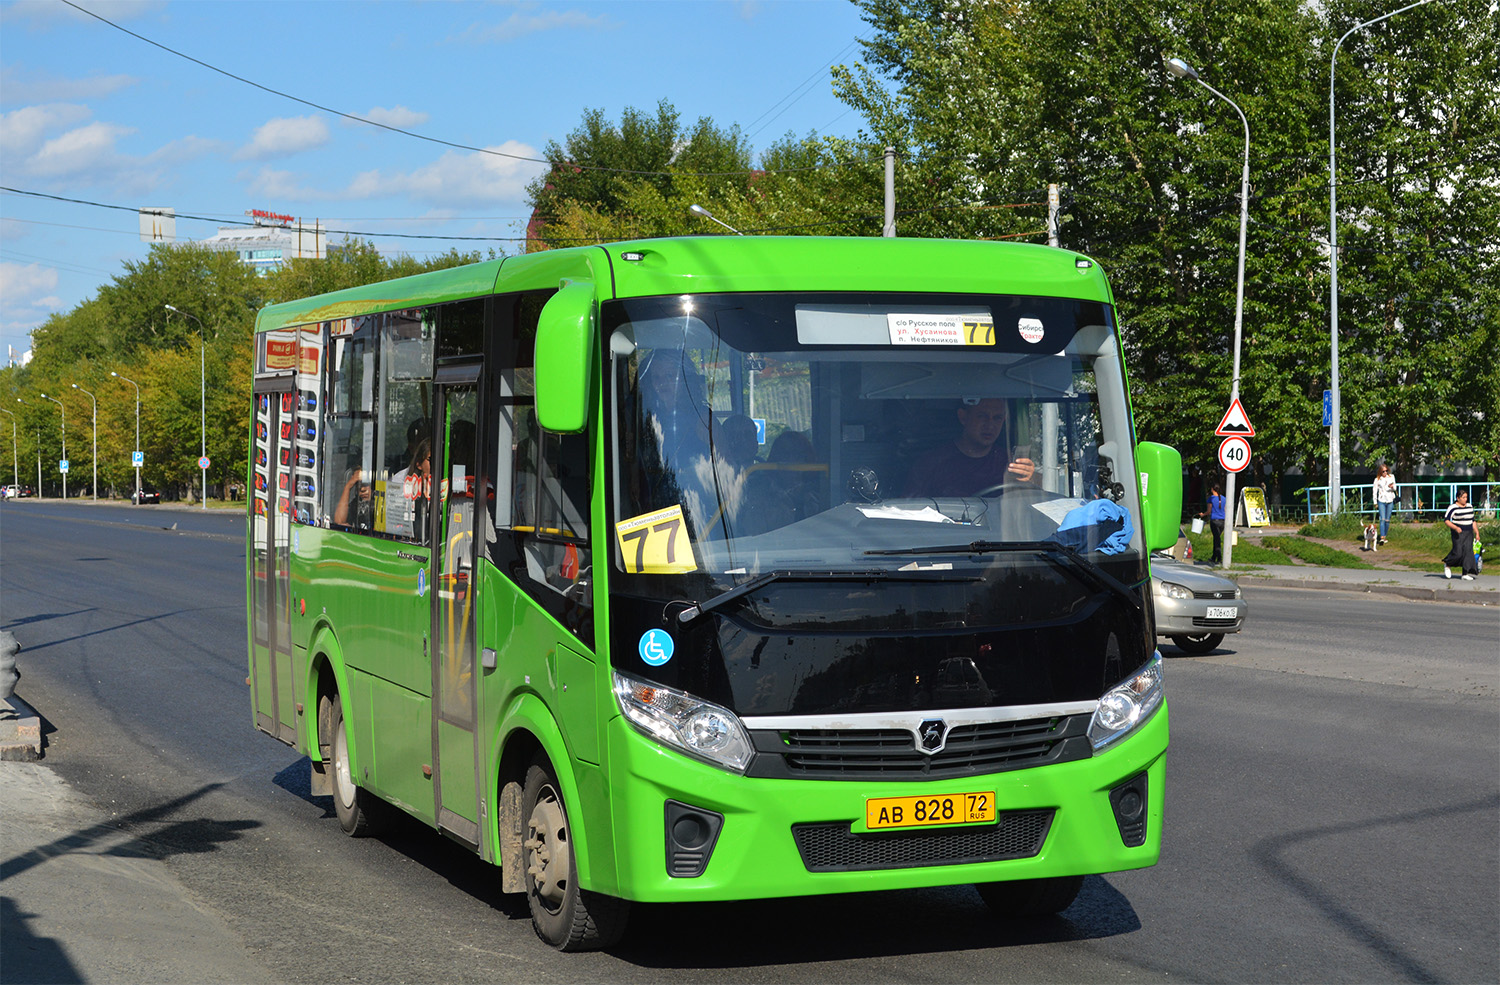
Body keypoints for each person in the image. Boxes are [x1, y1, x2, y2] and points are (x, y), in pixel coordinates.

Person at [903, 398, 1036, 497]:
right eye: (982, 416)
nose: (990, 425)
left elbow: (1035, 505)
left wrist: (1033, 479)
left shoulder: (1011, 464)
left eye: (997, 418)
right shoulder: (931, 464)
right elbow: (908, 512)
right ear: (963, 417)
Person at [1441, 489, 1478, 581]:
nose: (1465, 499)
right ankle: (1447, 564)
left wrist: (1477, 532)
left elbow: (1473, 521)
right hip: (1458, 532)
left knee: (1468, 552)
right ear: (1458, 498)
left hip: (1469, 532)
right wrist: (1455, 528)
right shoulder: (1452, 507)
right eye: (1463, 497)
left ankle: (1465, 573)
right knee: (1458, 552)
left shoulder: (1469, 506)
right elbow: (1446, 520)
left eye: (1466, 497)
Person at [1200, 482, 1226, 563]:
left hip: (1214, 521)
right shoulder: (1224, 498)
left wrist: (1202, 514)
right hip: (1222, 521)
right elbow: (1225, 509)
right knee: (1216, 539)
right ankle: (1214, 557)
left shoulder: (1211, 499)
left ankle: (1219, 558)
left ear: (1212, 489)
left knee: (1217, 540)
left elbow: (1209, 511)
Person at [1372, 464, 1397, 544]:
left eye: (1386, 471)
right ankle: (1382, 537)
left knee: (1387, 520)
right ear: (1380, 472)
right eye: (1383, 471)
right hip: (1381, 500)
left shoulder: (1391, 477)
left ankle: (1385, 536)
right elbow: (1374, 491)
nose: (1385, 472)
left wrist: (1392, 486)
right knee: (1382, 519)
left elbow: (1395, 487)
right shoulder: (1377, 480)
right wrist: (1375, 502)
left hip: (1390, 500)